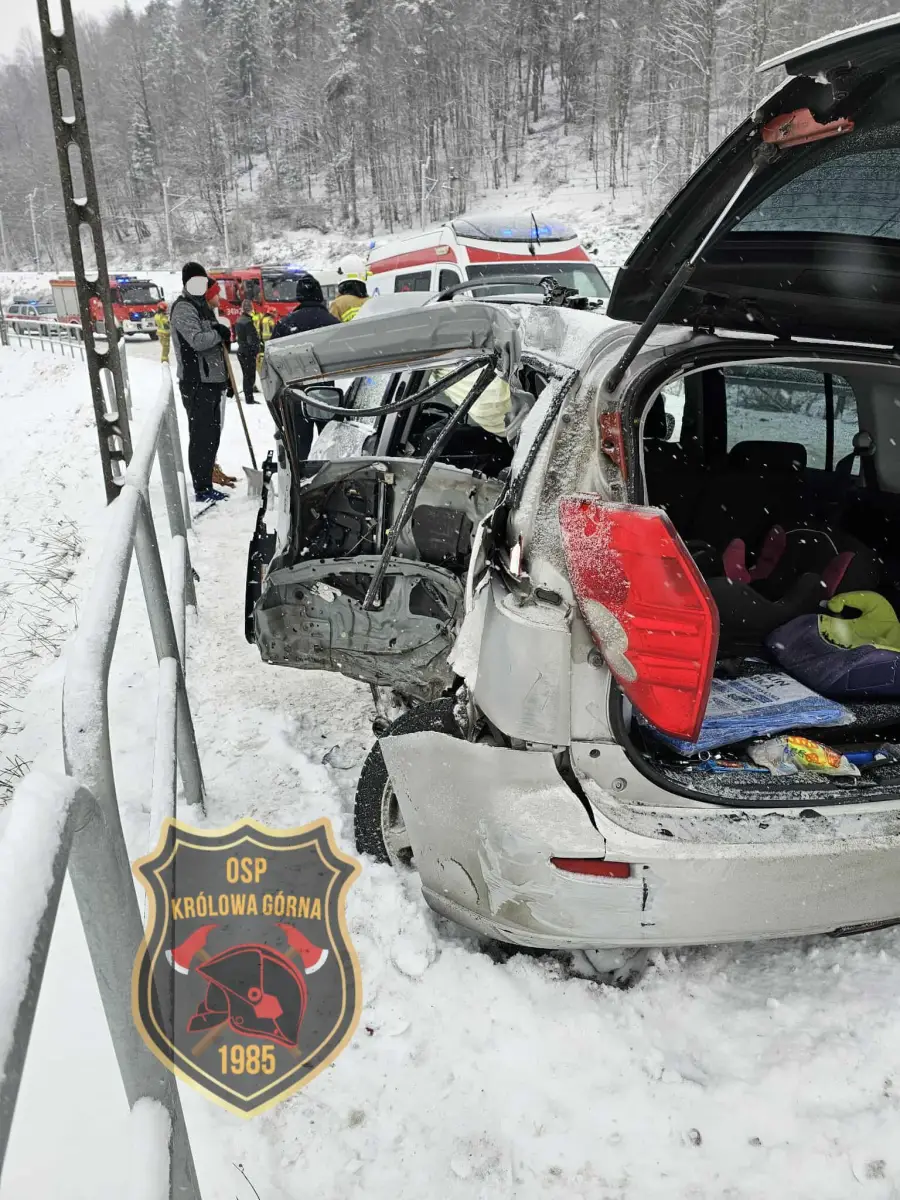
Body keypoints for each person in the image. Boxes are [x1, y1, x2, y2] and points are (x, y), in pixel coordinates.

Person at [169, 261, 233, 504]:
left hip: (211, 382)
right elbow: (197, 340)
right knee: (201, 437)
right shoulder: (184, 308)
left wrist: (225, 380)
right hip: (196, 383)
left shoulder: (201, 306)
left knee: (211, 435)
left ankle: (206, 480)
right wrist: (219, 333)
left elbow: (214, 346)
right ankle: (202, 487)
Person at [271, 274, 339, 339]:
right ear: (319, 295)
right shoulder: (334, 323)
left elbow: (272, 348)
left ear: (299, 295)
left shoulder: (285, 324)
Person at [235, 299, 260, 404]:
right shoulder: (248, 322)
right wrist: (256, 349)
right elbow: (251, 340)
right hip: (248, 352)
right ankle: (249, 398)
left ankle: (248, 395)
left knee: (246, 375)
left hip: (241, 350)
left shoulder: (239, 320)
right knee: (250, 375)